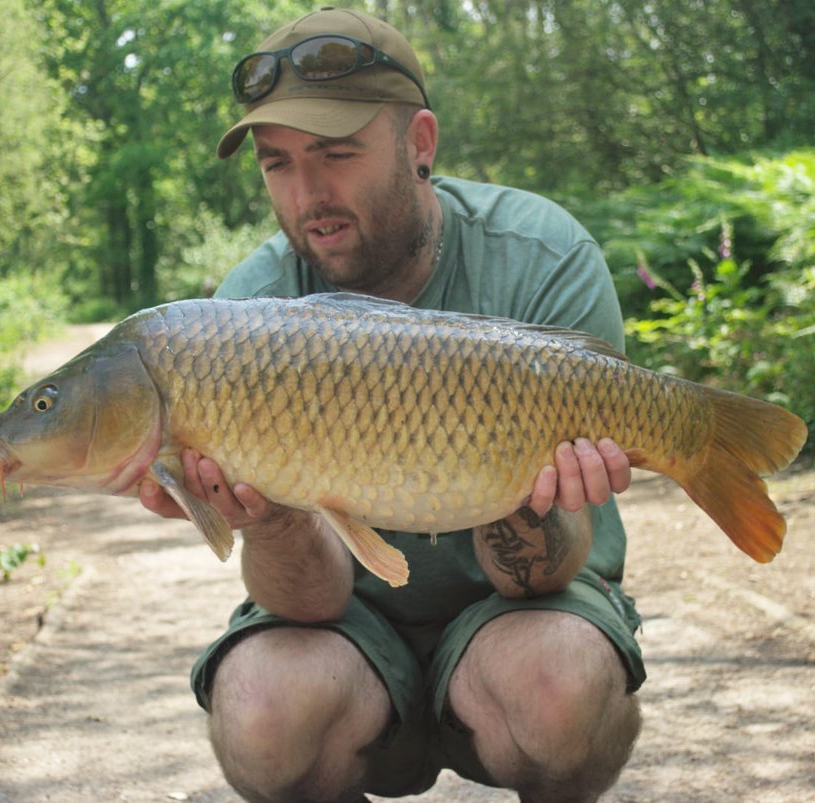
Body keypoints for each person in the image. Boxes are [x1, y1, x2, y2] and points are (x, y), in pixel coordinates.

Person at [140, 8, 644, 802]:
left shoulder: (542, 258)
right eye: (278, 164)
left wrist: (525, 481)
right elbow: (311, 597)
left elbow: (539, 576)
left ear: (420, 143)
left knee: (562, 691)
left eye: (337, 154)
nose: (309, 194)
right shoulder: (245, 318)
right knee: (261, 715)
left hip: (521, 610)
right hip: (345, 629)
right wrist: (267, 516)